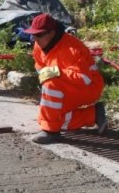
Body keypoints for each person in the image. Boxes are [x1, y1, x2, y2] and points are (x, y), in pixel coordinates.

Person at [22, 13, 107, 144]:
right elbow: (40, 66)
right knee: (46, 119)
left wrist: (57, 73)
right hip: (66, 86)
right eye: (33, 34)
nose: (35, 38)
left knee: (51, 85)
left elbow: (85, 78)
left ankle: (51, 132)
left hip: (89, 87)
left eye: (39, 35)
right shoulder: (39, 45)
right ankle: (93, 115)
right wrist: (46, 75)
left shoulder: (72, 48)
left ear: (51, 33)